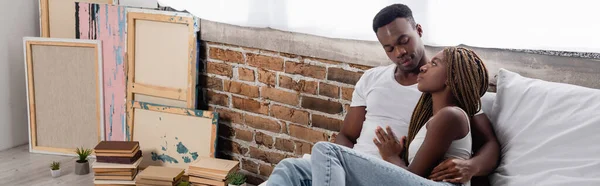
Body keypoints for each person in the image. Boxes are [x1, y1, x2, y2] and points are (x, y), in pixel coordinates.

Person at [266, 4, 499, 186]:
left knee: (324, 150)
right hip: (351, 168)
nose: (400, 52)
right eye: (389, 48)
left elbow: (489, 143)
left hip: (393, 174)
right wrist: (343, 165)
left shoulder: (447, 92)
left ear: (418, 31)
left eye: (403, 41)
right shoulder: (372, 79)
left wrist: (472, 167)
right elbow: (347, 135)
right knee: (290, 167)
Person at [309, 46, 488, 186]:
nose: (424, 67)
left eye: (434, 64)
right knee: (295, 168)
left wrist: (391, 157)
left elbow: (410, 177)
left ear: (452, 78)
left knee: (327, 151)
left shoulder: (451, 116)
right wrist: (394, 157)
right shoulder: (437, 117)